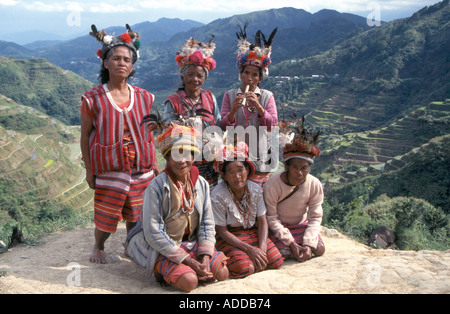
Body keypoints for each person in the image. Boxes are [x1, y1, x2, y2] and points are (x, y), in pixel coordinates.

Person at [80, 24, 160, 264]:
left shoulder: (145, 97)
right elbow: (85, 136)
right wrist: (89, 169)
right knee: (106, 214)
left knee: (136, 212)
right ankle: (99, 245)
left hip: (141, 167)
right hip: (109, 167)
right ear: (106, 63)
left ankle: (130, 244)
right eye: (115, 58)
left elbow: (149, 133)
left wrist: (154, 162)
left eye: (126, 59)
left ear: (132, 66)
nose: (121, 63)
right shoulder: (92, 98)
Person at [125, 119, 229, 292]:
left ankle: (179, 269)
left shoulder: (201, 184)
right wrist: (188, 260)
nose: (182, 161)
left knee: (222, 272)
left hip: (191, 242)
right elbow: (153, 232)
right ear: (167, 158)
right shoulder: (157, 187)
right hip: (164, 245)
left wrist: (204, 257)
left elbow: (207, 223)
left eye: (186, 154)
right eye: (175, 154)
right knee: (189, 281)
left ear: (193, 156)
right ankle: (162, 267)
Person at [211, 141, 284, 278]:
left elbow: (262, 221)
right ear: (225, 176)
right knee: (246, 268)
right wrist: (250, 250)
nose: (237, 176)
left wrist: (261, 249)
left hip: (252, 232)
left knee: (276, 261)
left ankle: (253, 255)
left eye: (240, 170)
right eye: (231, 172)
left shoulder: (255, 189)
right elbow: (221, 230)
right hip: (230, 237)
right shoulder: (218, 195)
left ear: (247, 170)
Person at [220, 26, 279, 187]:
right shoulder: (230, 95)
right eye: (246, 73)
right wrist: (233, 110)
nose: (249, 78)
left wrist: (259, 107)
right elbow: (223, 127)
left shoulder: (267, 97)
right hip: (235, 162)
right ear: (241, 74)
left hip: (260, 161)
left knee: (257, 202)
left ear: (260, 78)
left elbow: (272, 125)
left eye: (255, 74)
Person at [264, 116, 325, 263]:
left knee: (319, 249)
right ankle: (290, 246)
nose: (299, 172)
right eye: (295, 167)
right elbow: (271, 218)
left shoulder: (314, 184)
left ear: (309, 168)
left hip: (300, 226)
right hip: (280, 228)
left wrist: (308, 244)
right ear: (286, 166)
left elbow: (315, 217)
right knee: (283, 252)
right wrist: (291, 243)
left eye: (304, 168)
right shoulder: (273, 184)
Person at [164, 37, 221, 192]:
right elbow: (167, 134)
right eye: (190, 75)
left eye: (199, 75)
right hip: (182, 167)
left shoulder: (210, 98)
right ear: (183, 77)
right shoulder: (173, 102)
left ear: (204, 78)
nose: (195, 79)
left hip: (209, 168)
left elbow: (218, 124)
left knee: (208, 208)